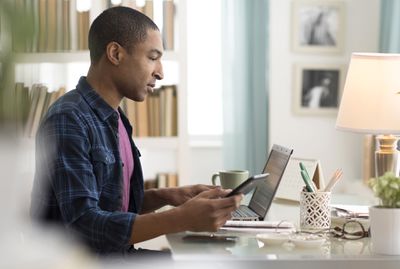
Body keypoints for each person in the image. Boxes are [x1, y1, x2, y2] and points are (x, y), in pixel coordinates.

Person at [30, 6, 242, 256]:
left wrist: (171, 195)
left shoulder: (115, 117)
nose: (160, 72)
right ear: (115, 53)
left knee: (210, 258)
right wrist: (182, 218)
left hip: (117, 257)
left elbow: (112, 205)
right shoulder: (69, 118)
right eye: (152, 57)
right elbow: (84, 227)